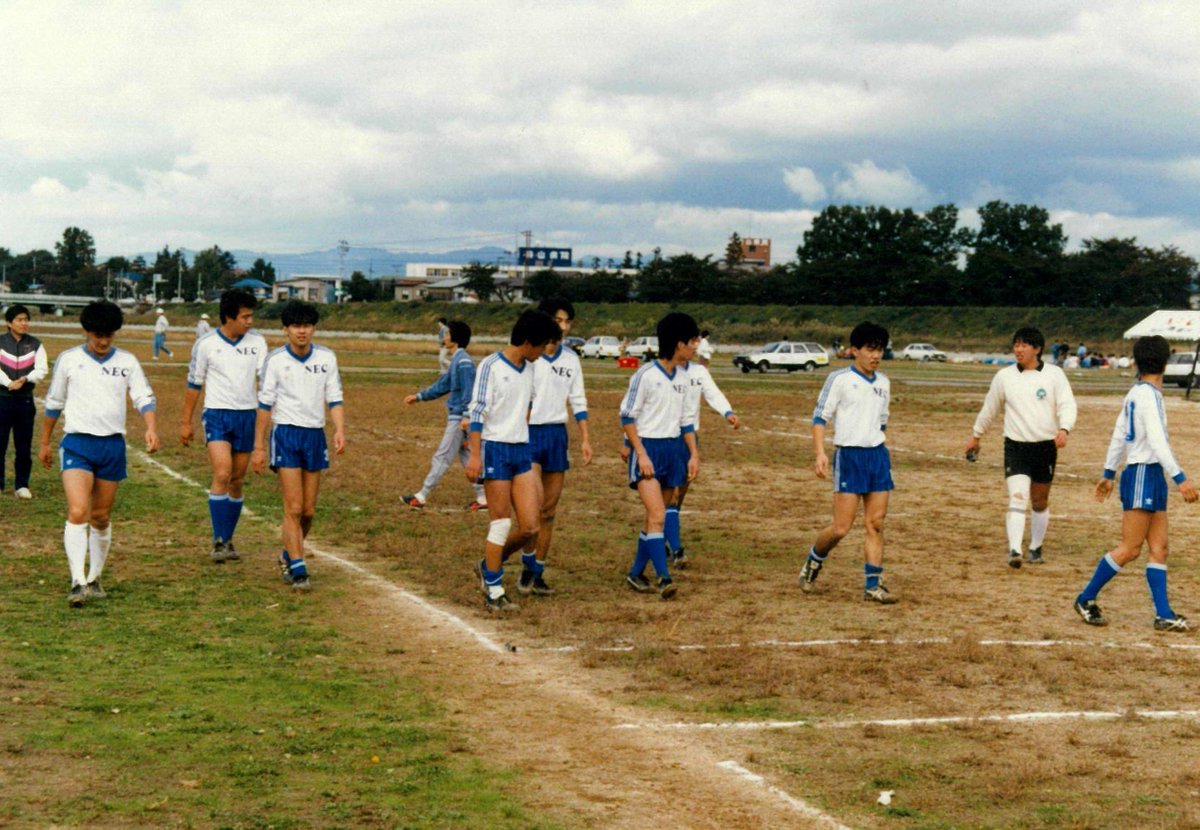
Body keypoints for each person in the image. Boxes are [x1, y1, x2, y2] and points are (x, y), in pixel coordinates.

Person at [1074, 335, 1197, 631]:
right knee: (1130, 548)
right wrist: (1180, 478)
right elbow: (1155, 440)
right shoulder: (1147, 396)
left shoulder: (1138, 393)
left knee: (1160, 547)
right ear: (1165, 362)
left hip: (1150, 474)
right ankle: (1085, 597)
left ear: (1137, 361)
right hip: (1143, 472)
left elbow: (1119, 434)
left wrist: (1108, 472)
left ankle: (1163, 613)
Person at [39, 300, 159, 606]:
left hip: (112, 447)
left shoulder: (128, 362)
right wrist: (45, 442)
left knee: (101, 517)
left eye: (109, 335)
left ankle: (94, 578)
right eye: (97, 335)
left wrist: (150, 427)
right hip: (78, 443)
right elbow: (54, 403)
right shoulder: (69, 360)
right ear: (86, 331)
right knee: (78, 511)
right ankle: (77, 581)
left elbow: (143, 396)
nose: (103, 341)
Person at [465, 309, 562, 612]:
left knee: (531, 527)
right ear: (528, 341)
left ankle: (487, 565)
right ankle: (494, 589)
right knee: (502, 522)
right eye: (543, 344)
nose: (545, 351)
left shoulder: (531, 368)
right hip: (495, 450)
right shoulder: (491, 367)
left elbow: (526, 407)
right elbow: (477, 414)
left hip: (522, 451)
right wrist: (476, 455)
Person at [799, 322, 896, 604]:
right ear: (855, 351)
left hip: (877, 457)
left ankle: (873, 585)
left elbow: (882, 422)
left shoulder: (884, 383)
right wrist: (820, 453)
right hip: (849, 457)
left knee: (875, 523)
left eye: (879, 350)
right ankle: (813, 561)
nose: (875, 355)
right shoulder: (839, 379)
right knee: (841, 528)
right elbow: (819, 420)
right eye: (870, 349)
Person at [252, 300, 345, 591]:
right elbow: (265, 405)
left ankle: (288, 555)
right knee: (292, 507)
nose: (301, 331)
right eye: (295, 326)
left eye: (306, 326)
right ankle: (299, 568)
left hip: (314, 436)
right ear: (285, 330)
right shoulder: (276, 360)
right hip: (286, 435)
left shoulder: (327, 358)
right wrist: (259, 446)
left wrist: (340, 429)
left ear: (313, 328)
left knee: (308, 512)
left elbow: (335, 397)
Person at [965, 327, 1077, 568]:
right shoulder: (1004, 377)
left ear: (1037, 349)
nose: (1018, 349)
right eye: (1016, 344)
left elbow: (1067, 404)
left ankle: (1035, 547)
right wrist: (976, 435)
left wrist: (1064, 428)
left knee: (1039, 501)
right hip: (1015, 447)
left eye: (1024, 345)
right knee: (1017, 497)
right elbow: (990, 408)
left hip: (1045, 447)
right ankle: (1014, 550)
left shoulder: (1055, 375)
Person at [181, 289, 267, 563]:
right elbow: (195, 384)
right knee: (222, 473)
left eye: (251, 316)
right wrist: (186, 422)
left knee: (237, 480)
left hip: (247, 416)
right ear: (229, 317)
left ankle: (228, 539)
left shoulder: (258, 343)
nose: (250, 321)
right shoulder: (206, 344)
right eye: (245, 316)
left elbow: (266, 382)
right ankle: (218, 540)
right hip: (217, 414)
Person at [515, 298, 593, 596]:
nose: (564, 326)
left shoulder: (571, 359)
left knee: (549, 511)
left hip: (557, 437)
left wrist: (585, 438)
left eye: (568, 321)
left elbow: (579, 401)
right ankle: (524, 566)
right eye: (559, 320)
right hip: (529, 436)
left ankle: (536, 573)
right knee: (532, 511)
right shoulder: (529, 358)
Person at [621, 312, 701, 600]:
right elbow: (628, 417)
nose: (696, 345)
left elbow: (686, 422)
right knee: (657, 515)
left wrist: (693, 454)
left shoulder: (685, 378)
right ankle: (664, 577)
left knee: (653, 519)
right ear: (679, 343)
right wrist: (639, 454)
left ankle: (635, 573)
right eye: (693, 340)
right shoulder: (645, 375)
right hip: (649, 451)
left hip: (672, 451)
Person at [659, 353, 739, 567]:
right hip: (666, 438)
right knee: (672, 495)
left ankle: (665, 535)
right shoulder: (661, 371)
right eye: (690, 341)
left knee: (680, 494)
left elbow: (713, 393)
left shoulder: (699, 372)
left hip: (689, 439)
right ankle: (675, 549)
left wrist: (727, 411)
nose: (694, 346)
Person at [400, 320, 488, 511]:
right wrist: (419, 396)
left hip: (460, 418)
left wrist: (466, 416)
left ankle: (421, 496)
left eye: (447, 334)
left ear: (455, 338)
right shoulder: (458, 359)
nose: (444, 337)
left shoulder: (464, 362)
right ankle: (483, 497)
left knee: (442, 456)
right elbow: (443, 385)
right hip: (460, 417)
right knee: (467, 456)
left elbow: (470, 392)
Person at [1, 305, 49, 499]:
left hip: (25, 402)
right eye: (19, 320)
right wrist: (8, 382)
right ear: (9, 323)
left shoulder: (36, 344)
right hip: (2, 400)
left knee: (23, 446)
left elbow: (42, 369)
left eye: (26, 319)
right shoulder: (1, 342)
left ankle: (22, 485)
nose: (24, 323)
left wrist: (25, 380)